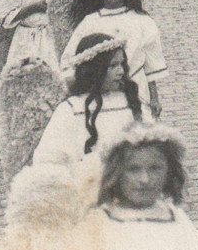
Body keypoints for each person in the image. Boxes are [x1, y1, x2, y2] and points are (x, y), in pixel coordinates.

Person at [64, 0, 167, 118]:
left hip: (137, 91)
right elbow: (71, 60)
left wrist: (154, 98)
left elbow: (151, 66)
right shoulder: (89, 22)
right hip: (100, 94)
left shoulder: (142, 21)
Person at [33, 34, 146, 168]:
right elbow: (48, 160)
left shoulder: (130, 102)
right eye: (113, 65)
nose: (121, 71)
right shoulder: (71, 109)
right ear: (94, 70)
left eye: (122, 64)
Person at [82, 121, 198, 246]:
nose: (145, 180)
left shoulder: (175, 217)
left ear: (169, 172)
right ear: (117, 173)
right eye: (133, 169)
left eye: (155, 168)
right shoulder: (100, 222)